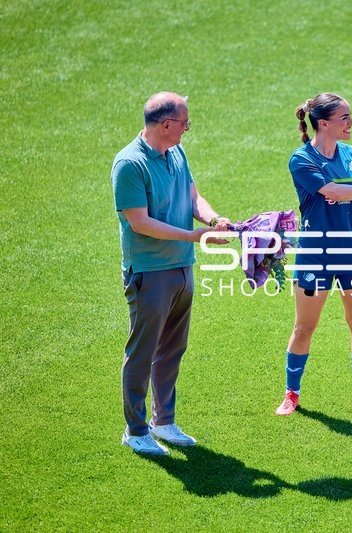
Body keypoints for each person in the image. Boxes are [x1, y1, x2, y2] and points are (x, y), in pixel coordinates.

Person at [111, 92, 230, 456]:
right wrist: (194, 236)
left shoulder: (175, 153)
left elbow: (193, 196)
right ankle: (135, 429)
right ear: (166, 125)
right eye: (184, 123)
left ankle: (164, 421)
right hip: (150, 271)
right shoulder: (130, 164)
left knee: (173, 348)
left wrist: (212, 219)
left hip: (181, 266)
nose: (187, 129)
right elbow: (140, 222)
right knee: (143, 352)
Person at [275, 93, 352, 417]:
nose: (351, 123)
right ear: (324, 123)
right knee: (304, 327)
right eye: (345, 118)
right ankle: (291, 393)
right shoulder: (302, 160)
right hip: (315, 256)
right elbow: (333, 191)